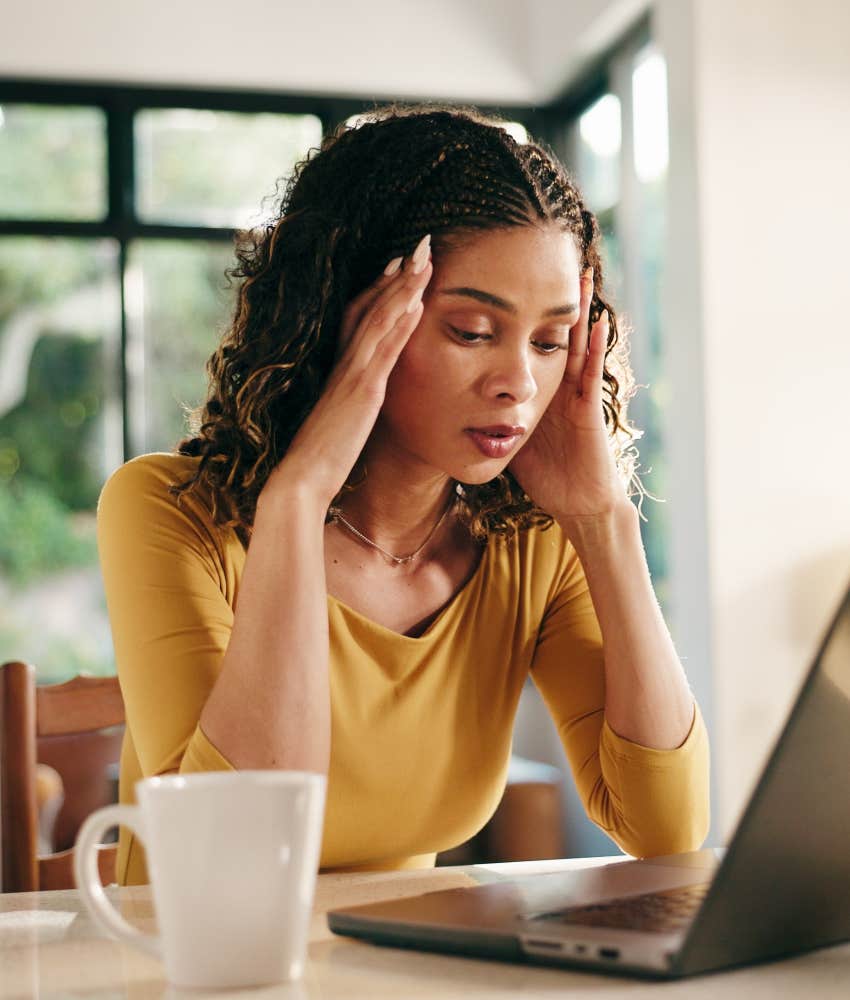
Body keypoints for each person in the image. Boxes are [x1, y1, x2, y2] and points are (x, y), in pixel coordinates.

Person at [98, 104, 709, 886]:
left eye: (550, 341)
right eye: (471, 331)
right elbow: (237, 854)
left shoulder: (530, 545)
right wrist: (298, 498)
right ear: (347, 317)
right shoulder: (171, 512)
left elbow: (668, 830)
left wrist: (603, 520)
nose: (518, 383)